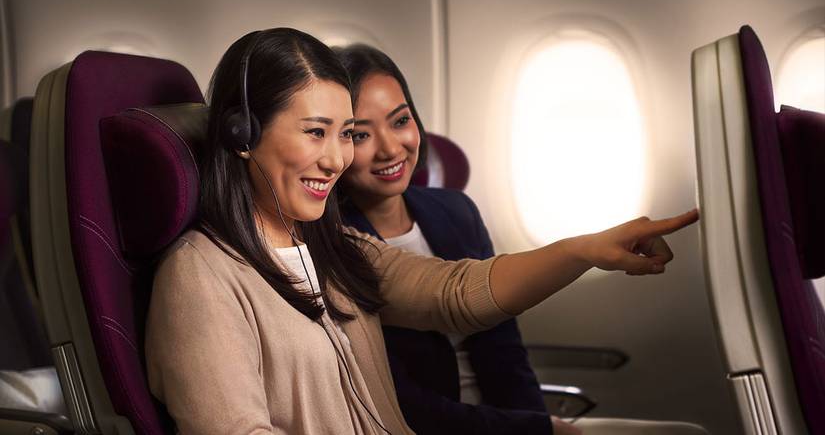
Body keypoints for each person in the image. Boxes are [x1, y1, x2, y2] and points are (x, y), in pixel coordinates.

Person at [144, 27, 698, 435]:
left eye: (344, 135)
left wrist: (583, 251)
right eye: (316, 132)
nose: (336, 159)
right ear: (243, 133)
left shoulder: (328, 246)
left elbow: (457, 294)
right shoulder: (201, 277)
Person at [335, 43, 578, 435]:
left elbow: (505, 352)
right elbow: (401, 403)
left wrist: (537, 423)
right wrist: (531, 430)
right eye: (361, 135)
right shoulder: (335, 244)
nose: (390, 148)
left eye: (400, 121)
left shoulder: (457, 212)